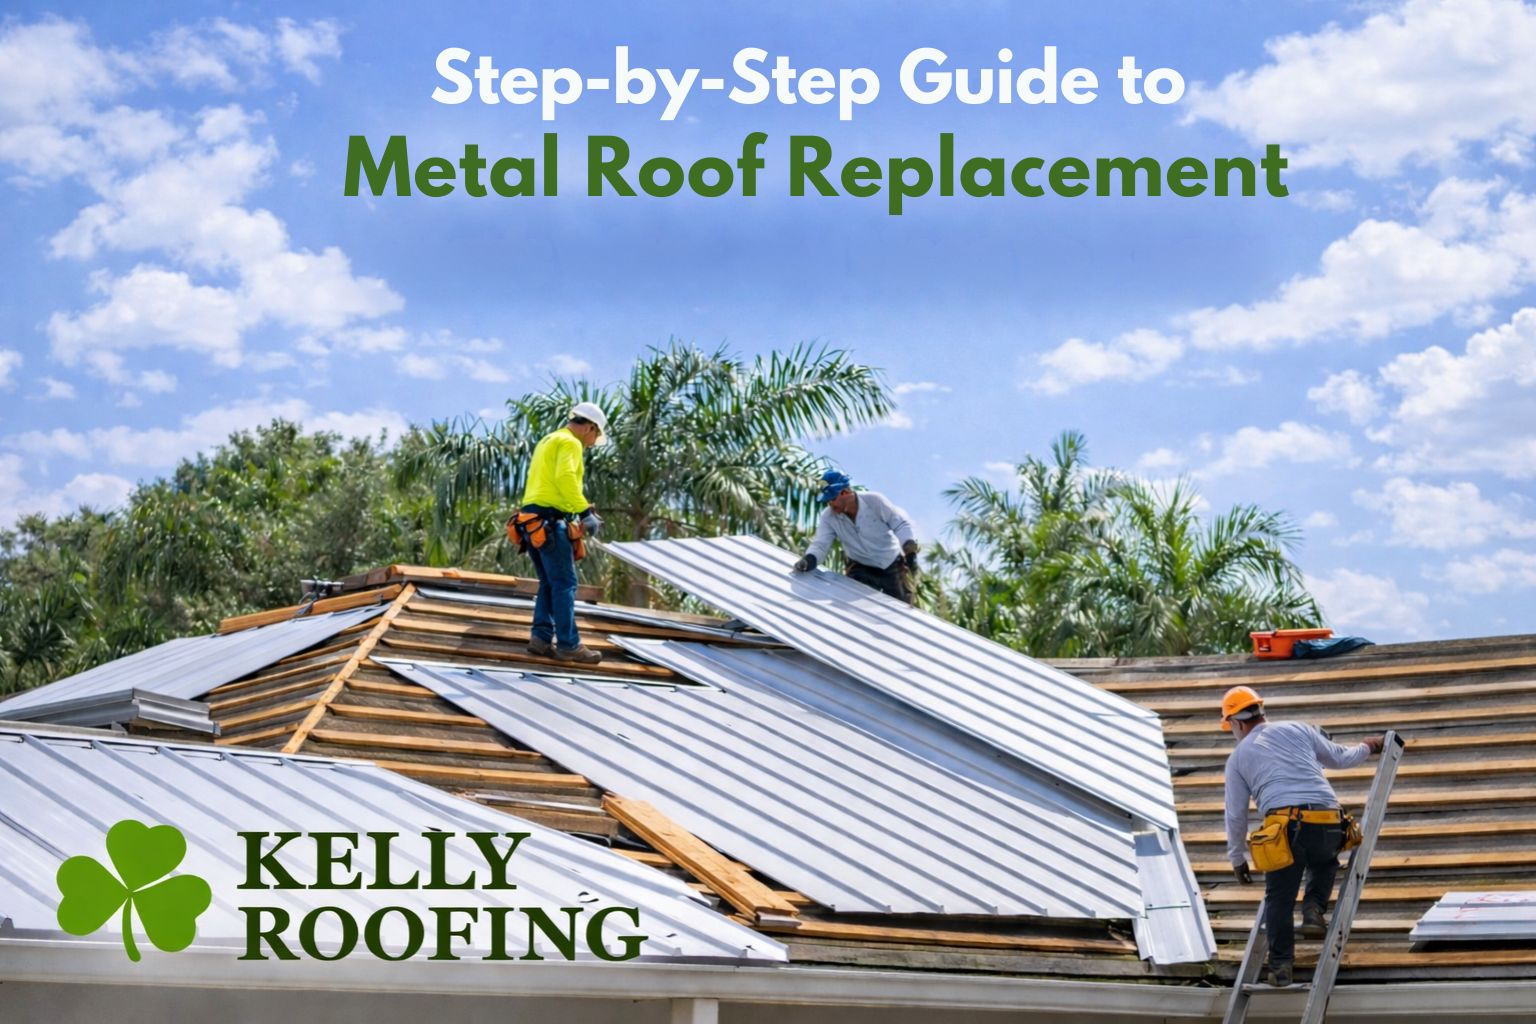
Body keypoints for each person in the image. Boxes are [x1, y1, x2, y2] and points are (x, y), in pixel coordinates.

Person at [1221, 685, 1386, 988]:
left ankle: (1282, 967)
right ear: (1261, 712)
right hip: (1329, 822)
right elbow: (1340, 758)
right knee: (1325, 861)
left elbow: (1235, 815)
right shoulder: (1299, 729)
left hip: (1287, 829)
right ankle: (1313, 910)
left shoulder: (1238, 757)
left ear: (1237, 723)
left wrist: (1237, 859)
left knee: (1279, 899)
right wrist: (1368, 746)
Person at [516, 402, 609, 665]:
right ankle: (569, 644)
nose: (592, 444)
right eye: (595, 436)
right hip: (550, 522)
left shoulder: (548, 440)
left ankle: (541, 638)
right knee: (565, 584)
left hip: (531, 522)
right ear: (589, 427)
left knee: (549, 582)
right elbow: (566, 478)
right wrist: (585, 512)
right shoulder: (570, 443)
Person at [792, 470, 920, 604]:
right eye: (828, 501)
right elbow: (821, 545)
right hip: (861, 570)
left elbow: (900, 525)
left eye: (833, 499)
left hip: (892, 566)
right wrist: (809, 560)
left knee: (903, 613)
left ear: (845, 492)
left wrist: (909, 550)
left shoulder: (874, 501)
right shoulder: (828, 517)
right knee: (852, 610)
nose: (830, 505)